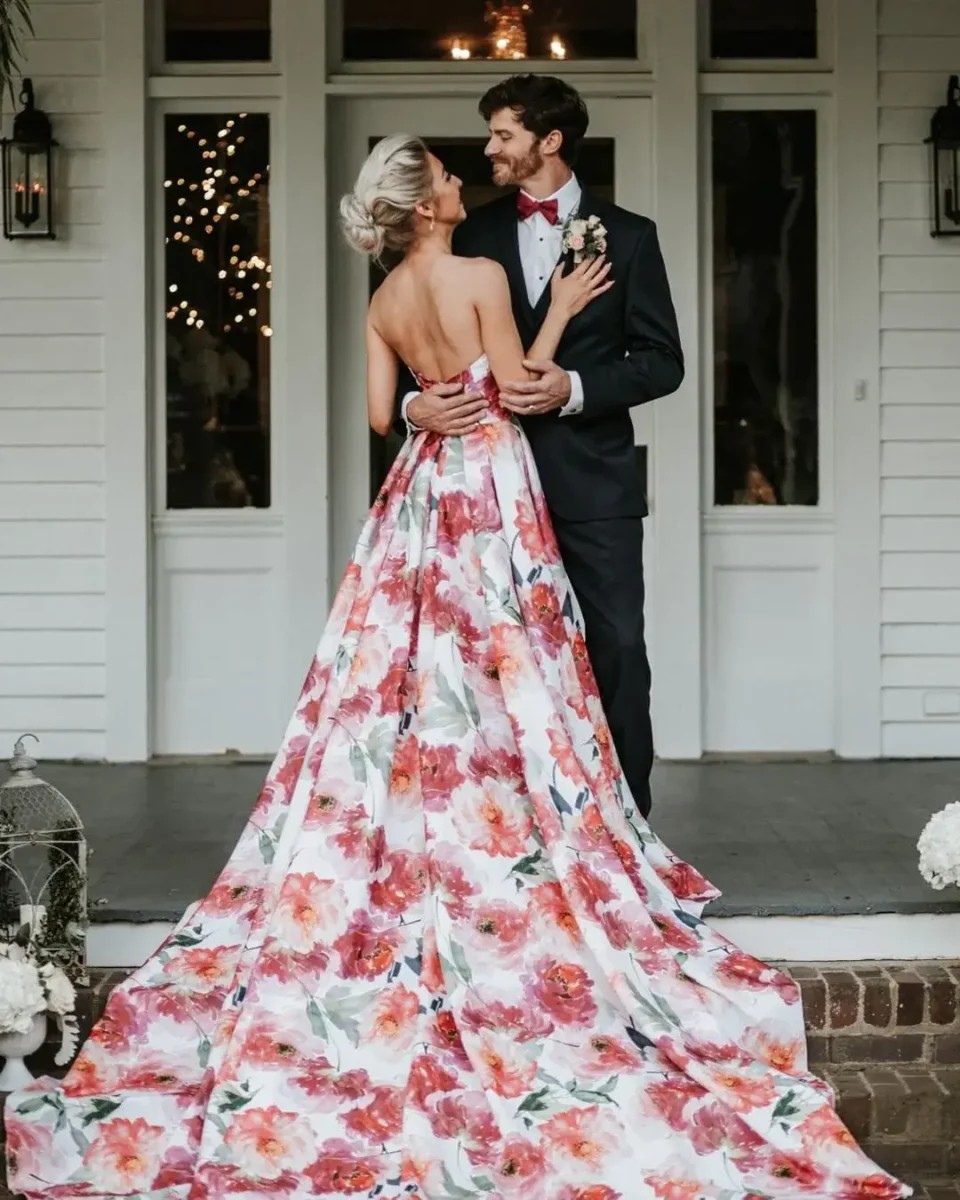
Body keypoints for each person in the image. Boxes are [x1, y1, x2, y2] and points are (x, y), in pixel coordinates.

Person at [3, 136, 910, 1200]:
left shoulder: (388, 296)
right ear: (427, 204)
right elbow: (524, 379)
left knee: (404, 659)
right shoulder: (481, 274)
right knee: (510, 662)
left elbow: (388, 419)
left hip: (424, 492)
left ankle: (425, 812)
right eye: (440, 172)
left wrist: (431, 406)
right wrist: (565, 304)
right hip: (491, 489)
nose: (455, 176)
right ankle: (508, 820)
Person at [399, 74, 679, 820]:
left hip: (592, 484)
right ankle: (520, 832)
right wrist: (412, 402)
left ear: (549, 141)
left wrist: (576, 387)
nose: (489, 147)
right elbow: (423, 338)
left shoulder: (630, 235)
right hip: (488, 487)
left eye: (503, 134)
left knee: (616, 649)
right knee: (494, 666)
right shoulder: (476, 233)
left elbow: (663, 360)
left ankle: (628, 830)